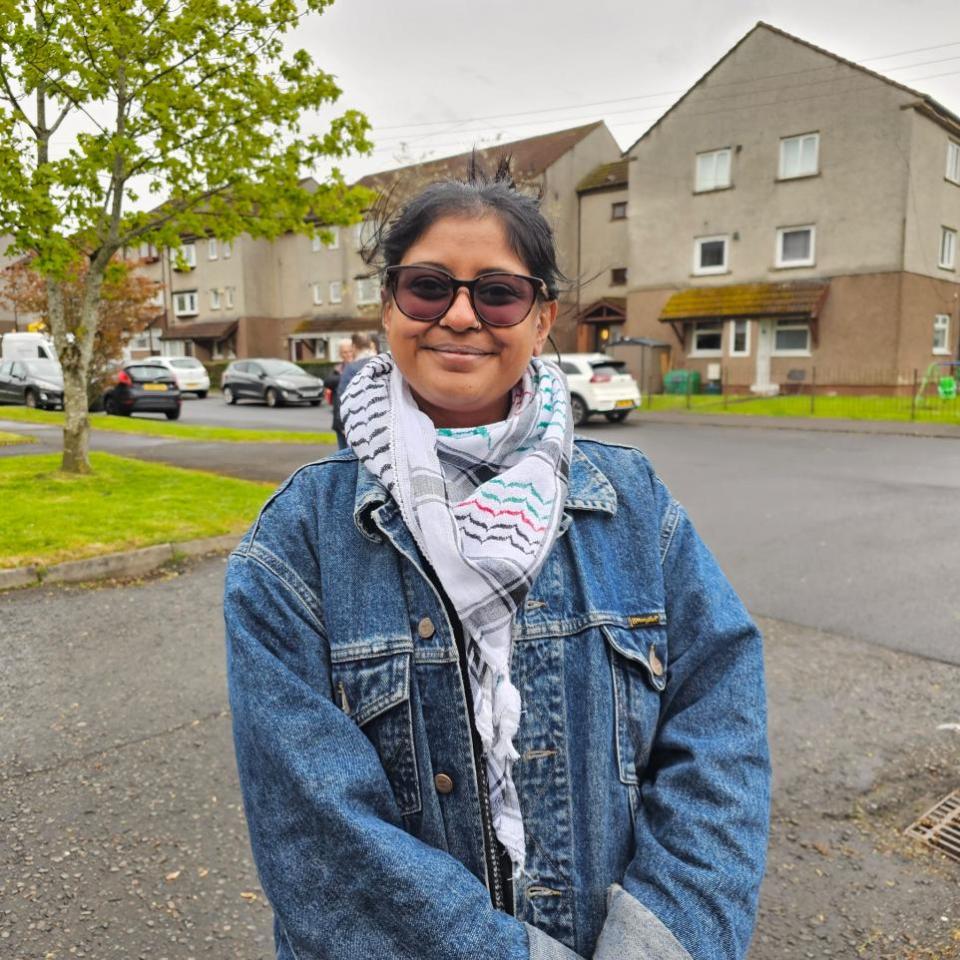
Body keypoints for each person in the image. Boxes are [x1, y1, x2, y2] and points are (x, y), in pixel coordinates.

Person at [224, 164, 770, 960]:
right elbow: (316, 831)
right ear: (388, 307)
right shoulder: (298, 541)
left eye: (498, 293)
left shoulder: (634, 504)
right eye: (427, 287)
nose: (459, 315)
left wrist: (661, 943)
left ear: (542, 319)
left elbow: (720, 733)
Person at [323, 339, 355, 450]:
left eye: (350, 351)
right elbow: (327, 382)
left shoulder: (360, 367)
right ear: (341, 354)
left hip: (355, 421)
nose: (348, 355)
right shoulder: (338, 369)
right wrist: (345, 377)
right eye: (345, 352)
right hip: (339, 420)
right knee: (342, 454)